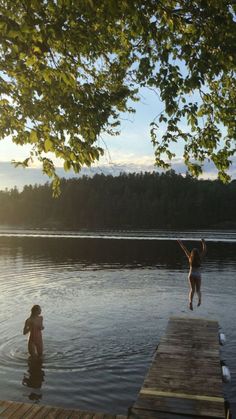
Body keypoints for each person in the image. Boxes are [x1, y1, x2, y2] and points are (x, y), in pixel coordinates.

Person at [177, 239, 207, 310]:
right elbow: (205, 250)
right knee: (198, 290)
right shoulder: (200, 258)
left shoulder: (190, 257)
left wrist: (180, 243)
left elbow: (184, 249)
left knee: (192, 290)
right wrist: (203, 243)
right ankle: (199, 300)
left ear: (192, 253)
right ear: (197, 253)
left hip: (191, 274)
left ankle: (190, 302)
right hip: (198, 275)